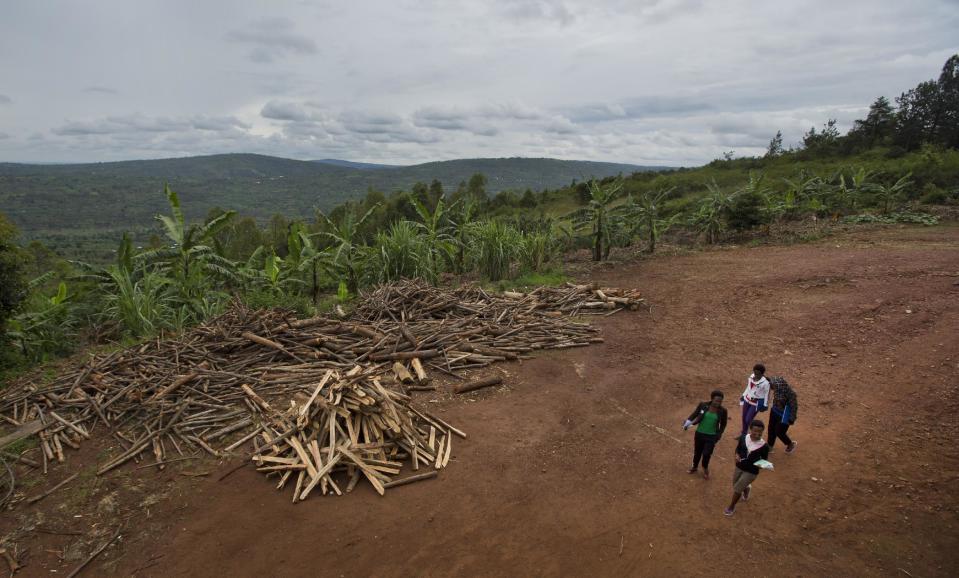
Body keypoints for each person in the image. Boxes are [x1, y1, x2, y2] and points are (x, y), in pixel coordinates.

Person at [725, 419, 769, 517]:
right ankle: (747, 488)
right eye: (755, 431)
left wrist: (761, 465)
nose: (757, 434)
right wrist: (736, 455)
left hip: (752, 471)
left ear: (762, 432)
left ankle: (731, 507)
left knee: (737, 489)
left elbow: (764, 459)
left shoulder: (764, 446)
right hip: (739, 466)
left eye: (760, 432)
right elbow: (738, 449)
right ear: (750, 430)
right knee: (735, 483)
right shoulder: (743, 438)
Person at [683, 390, 728, 480]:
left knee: (707, 454)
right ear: (712, 399)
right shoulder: (703, 405)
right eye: (716, 401)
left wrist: (719, 435)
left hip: (711, 436)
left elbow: (723, 424)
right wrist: (687, 422)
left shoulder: (723, 411)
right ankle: (694, 467)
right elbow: (695, 414)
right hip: (699, 434)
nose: (718, 403)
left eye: (720, 401)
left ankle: (705, 468)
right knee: (697, 452)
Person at [768, 376, 798, 454]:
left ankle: (790, 444)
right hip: (774, 411)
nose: (771, 387)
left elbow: (794, 407)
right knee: (771, 429)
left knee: (779, 432)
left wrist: (792, 418)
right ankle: (770, 446)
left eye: (772, 385)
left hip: (784, 416)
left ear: (778, 385)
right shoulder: (778, 390)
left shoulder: (791, 394)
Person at [739, 363, 770, 435]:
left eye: (758, 374)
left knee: (748, 419)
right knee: (744, 418)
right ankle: (743, 434)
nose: (756, 375)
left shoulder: (765, 383)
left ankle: (757, 432)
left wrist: (765, 405)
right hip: (747, 399)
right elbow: (748, 387)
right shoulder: (751, 377)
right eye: (755, 373)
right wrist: (743, 395)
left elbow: (767, 394)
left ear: (762, 374)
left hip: (756, 403)